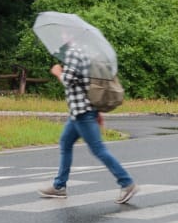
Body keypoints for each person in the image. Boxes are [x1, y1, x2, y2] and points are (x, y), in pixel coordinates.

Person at [39, 37, 138, 204]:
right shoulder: (85, 53)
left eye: (64, 34)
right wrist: (96, 110)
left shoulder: (73, 53)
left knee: (98, 149)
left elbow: (68, 80)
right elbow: (88, 84)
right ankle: (59, 186)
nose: (62, 37)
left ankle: (127, 183)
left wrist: (57, 72)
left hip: (82, 112)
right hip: (81, 111)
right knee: (65, 143)